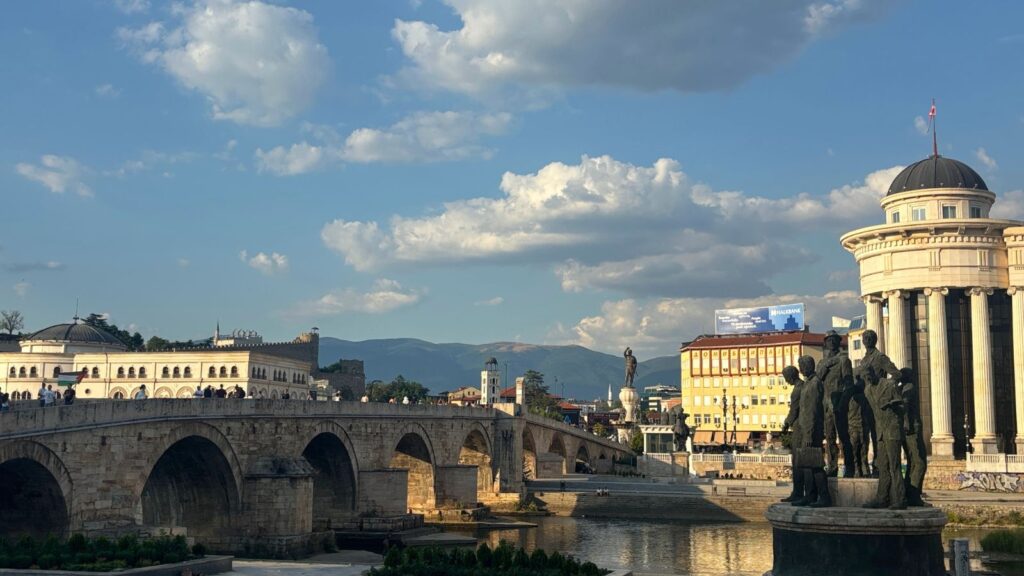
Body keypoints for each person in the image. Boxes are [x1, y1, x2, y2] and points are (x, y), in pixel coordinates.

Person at [856, 329, 906, 510]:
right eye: (864, 338)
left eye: (870, 338)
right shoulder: (867, 383)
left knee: (894, 465)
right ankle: (882, 498)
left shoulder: (880, 358)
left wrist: (891, 391)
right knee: (881, 463)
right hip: (878, 426)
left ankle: (899, 499)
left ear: (875, 340)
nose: (867, 340)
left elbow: (897, 375)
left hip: (890, 427)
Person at [792, 356, 830, 508]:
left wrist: (808, 434)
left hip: (811, 432)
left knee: (815, 465)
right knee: (808, 465)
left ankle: (824, 496)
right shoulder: (809, 383)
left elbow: (812, 411)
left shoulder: (814, 384)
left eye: (801, 366)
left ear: (808, 366)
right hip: (807, 430)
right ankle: (810, 495)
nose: (800, 370)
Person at [816, 329, 855, 477]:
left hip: (839, 403)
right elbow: (817, 380)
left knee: (844, 437)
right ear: (825, 344)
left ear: (839, 342)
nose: (831, 342)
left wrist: (843, 402)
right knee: (830, 438)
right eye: (828, 340)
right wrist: (826, 365)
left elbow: (849, 383)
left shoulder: (844, 360)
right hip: (826, 404)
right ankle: (832, 467)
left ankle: (849, 468)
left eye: (834, 339)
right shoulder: (822, 363)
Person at [899, 367, 928, 507]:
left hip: (908, 429)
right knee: (919, 462)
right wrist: (906, 423)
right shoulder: (909, 387)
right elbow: (905, 403)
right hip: (912, 430)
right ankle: (914, 495)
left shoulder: (901, 388)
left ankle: (909, 493)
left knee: (912, 462)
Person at [779, 365, 805, 503]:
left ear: (790, 376)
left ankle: (798, 493)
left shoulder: (797, 390)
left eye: (785, 378)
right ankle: (801, 492)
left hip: (799, 428)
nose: (785, 381)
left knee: (797, 462)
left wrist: (786, 424)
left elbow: (794, 410)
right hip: (804, 426)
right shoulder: (804, 386)